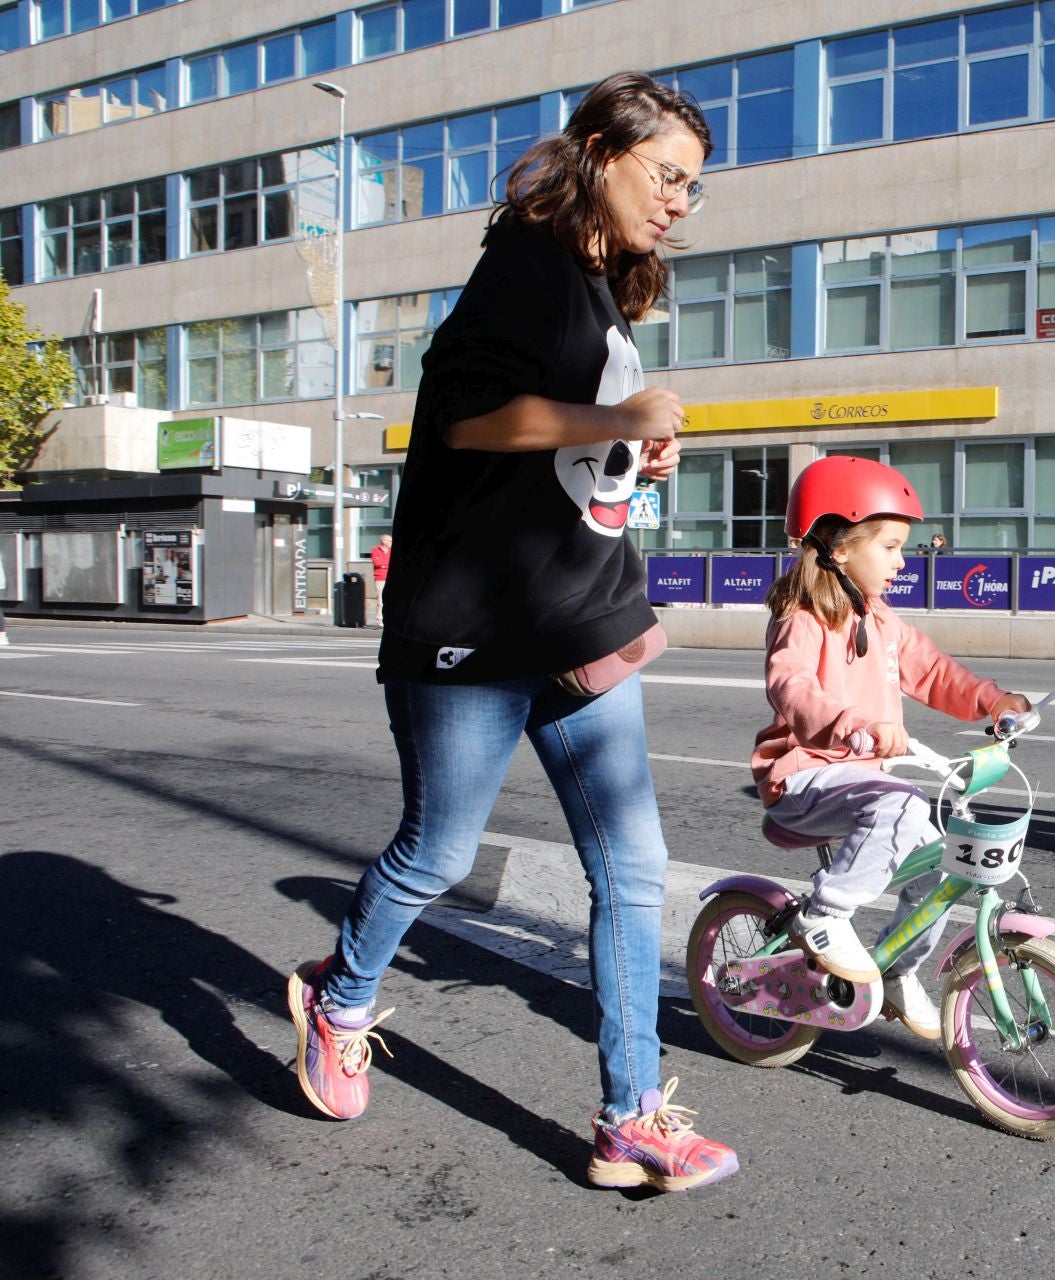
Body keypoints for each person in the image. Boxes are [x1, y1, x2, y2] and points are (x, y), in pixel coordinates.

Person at [285, 71, 738, 1193]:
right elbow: (462, 419)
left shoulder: (598, 285)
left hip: (579, 613)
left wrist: (634, 447)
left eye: (693, 186)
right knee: (438, 852)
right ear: (598, 150)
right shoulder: (529, 264)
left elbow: (569, 448)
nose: (682, 200)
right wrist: (614, 418)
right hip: (475, 629)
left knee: (635, 872)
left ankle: (632, 1115)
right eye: (667, 174)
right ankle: (336, 1000)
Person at [751, 457, 1030, 1038]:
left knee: (946, 853)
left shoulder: (879, 619)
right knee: (903, 805)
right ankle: (824, 915)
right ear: (840, 546)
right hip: (803, 777)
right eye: (891, 546)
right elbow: (791, 686)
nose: (904, 561)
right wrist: (852, 723)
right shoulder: (800, 617)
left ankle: (898, 968)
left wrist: (993, 701)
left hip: (861, 782)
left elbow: (933, 672)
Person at [368, 533, 393, 627]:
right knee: (381, 601)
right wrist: (386, 565)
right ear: (384, 541)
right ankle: (380, 621)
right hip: (380, 578)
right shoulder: (375, 550)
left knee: (391, 600)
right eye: (390, 541)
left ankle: (390, 620)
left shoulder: (392, 551)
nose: (391, 542)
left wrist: (384, 565)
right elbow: (377, 563)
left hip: (390, 578)